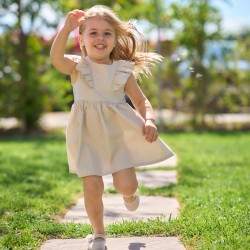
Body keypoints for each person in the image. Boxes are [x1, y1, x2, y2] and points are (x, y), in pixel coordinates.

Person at [50, 5, 174, 250]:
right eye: (93, 33)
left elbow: (141, 101)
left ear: (115, 38)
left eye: (107, 33)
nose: (100, 38)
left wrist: (148, 119)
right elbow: (55, 59)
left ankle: (130, 193)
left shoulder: (122, 70)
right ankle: (98, 235)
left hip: (117, 137)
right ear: (81, 39)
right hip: (86, 136)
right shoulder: (77, 66)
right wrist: (65, 29)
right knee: (92, 186)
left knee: (125, 185)